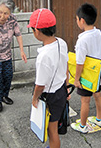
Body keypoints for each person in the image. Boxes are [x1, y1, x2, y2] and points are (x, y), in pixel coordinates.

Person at [28, 8, 69, 148]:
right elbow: (66, 66)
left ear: (37, 31)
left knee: (52, 131)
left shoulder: (43, 56)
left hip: (51, 96)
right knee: (55, 125)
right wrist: (67, 88)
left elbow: (40, 85)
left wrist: (34, 98)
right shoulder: (61, 42)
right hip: (61, 89)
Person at [70, 3, 101, 133]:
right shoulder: (98, 32)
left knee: (85, 101)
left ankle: (82, 126)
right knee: (97, 95)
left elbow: (80, 62)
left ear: (82, 20)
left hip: (87, 76)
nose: (77, 22)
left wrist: (76, 79)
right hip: (98, 74)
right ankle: (99, 119)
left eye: (77, 19)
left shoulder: (82, 40)